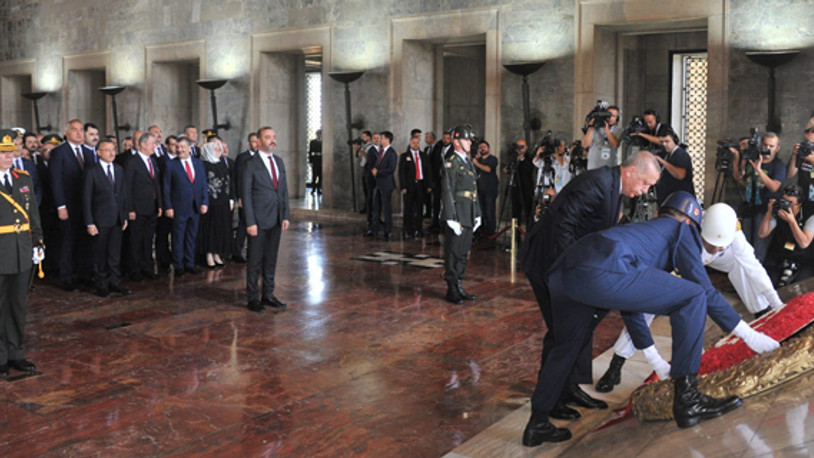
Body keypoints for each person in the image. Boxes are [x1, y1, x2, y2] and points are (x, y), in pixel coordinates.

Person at [523, 192, 748, 446]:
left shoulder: (641, 233)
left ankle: (537, 422)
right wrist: (746, 333)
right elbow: (702, 291)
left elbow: (631, 308)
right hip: (603, 268)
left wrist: (653, 357)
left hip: (565, 270)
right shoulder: (679, 230)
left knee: (564, 346)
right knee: (694, 296)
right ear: (689, 222)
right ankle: (688, 399)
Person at [519, 151, 661, 429]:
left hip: (566, 265)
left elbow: (604, 225)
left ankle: (570, 389)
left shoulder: (612, 185)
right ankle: (552, 401)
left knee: (581, 325)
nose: (645, 191)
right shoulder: (596, 185)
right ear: (631, 171)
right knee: (563, 333)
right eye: (645, 183)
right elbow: (563, 228)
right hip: (548, 264)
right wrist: (572, 276)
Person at [595, 202, 782, 393]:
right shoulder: (686, 235)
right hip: (677, 266)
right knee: (646, 308)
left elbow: (752, 266)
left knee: (741, 266)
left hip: (704, 265)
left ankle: (762, 312)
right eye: (710, 245)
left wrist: (777, 303)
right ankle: (616, 365)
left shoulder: (731, 229)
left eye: (720, 247)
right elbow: (704, 290)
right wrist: (654, 359)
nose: (715, 249)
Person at [0, 129, 43, 378]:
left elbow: (32, 214)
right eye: (3, 153)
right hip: (1, 251)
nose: (9, 157)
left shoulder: (22, 179)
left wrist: (38, 241)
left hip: (21, 251)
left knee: (18, 305)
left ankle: (16, 352)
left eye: (11, 152)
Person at [243, 126, 290, 313]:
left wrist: (285, 215)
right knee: (255, 260)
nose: (273, 140)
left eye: (274, 137)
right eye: (268, 137)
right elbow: (246, 195)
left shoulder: (278, 161)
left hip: (276, 218)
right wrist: (250, 222)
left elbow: (283, 191)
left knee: (271, 259)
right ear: (259, 141)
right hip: (258, 220)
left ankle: (268, 294)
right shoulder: (250, 164)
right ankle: (253, 298)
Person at [49, 119, 95, 290]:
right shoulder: (59, 152)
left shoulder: (88, 153)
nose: (79, 133)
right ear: (66, 133)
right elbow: (55, 181)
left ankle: (84, 275)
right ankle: (66, 278)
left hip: (86, 206)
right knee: (67, 242)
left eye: (81, 129)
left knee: (85, 241)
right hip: (68, 205)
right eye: (74, 129)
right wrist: (60, 205)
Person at [82, 139, 130, 297]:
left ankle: (115, 283)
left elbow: (123, 195)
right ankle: (101, 285)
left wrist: (124, 216)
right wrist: (89, 222)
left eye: (113, 150)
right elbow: (86, 199)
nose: (111, 153)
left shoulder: (119, 169)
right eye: (107, 150)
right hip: (99, 220)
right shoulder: (91, 172)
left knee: (114, 254)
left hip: (117, 219)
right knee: (99, 255)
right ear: (99, 152)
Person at [441, 125, 482, 304]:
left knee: (463, 252)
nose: (469, 143)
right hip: (458, 214)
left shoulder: (467, 162)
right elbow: (447, 191)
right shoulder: (452, 162)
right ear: (456, 142)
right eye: (466, 140)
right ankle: (451, 288)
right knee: (453, 253)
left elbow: (474, 190)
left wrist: (477, 213)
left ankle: (458, 285)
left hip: (468, 213)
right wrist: (451, 218)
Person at [732, 132, 785, 260]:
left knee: (759, 248)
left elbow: (774, 187)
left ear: (777, 148)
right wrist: (738, 158)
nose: (767, 148)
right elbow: (741, 179)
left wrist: (759, 170)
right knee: (745, 246)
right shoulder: (752, 160)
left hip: (766, 210)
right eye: (765, 145)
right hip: (749, 207)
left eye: (771, 146)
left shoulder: (778, 165)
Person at [163, 136, 209, 277]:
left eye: (182, 147)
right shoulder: (170, 164)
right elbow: (166, 187)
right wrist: (168, 207)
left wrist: (205, 202)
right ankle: (178, 265)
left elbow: (203, 184)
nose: (179, 150)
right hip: (178, 207)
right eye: (177, 147)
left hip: (195, 206)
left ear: (190, 148)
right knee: (178, 237)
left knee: (191, 236)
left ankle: (190, 263)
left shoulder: (198, 163)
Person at [124, 132, 163, 281]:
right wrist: (130, 209)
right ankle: (135, 270)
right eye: (152, 143)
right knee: (136, 241)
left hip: (152, 208)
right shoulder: (131, 162)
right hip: (137, 209)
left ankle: (147, 268)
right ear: (143, 144)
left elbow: (156, 185)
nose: (155, 146)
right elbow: (127, 188)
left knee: (148, 240)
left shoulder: (152, 161)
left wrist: (159, 204)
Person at [758, 185, 814, 286]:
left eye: (790, 203)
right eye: (784, 200)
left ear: (799, 204)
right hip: (780, 254)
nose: (787, 205)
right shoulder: (779, 210)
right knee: (768, 281)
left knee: (800, 284)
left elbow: (804, 243)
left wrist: (792, 222)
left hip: (802, 258)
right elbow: (762, 233)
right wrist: (769, 212)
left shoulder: (809, 215)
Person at [199, 141, 233, 268]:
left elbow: (228, 182)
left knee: (220, 229)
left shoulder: (222, 164)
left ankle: (217, 253)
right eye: (216, 149)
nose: (218, 151)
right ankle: (209, 254)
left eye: (220, 149)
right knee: (210, 229)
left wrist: (231, 199)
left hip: (223, 202)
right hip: (210, 203)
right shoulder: (204, 165)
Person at [364, 131, 397, 241]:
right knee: (376, 207)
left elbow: (391, 169)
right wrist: (374, 170)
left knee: (386, 208)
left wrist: (378, 172)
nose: (380, 140)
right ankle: (374, 229)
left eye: (382, 138)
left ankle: (388, 231)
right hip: (377, 184)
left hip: (386, 184)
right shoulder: (381, 151)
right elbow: (377, 165)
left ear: (387, 139)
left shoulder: (392, 153)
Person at [398, 135, 431, 239]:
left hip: (421, 185)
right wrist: (403, 186)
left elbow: (428, 171)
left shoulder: (423, 155)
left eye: (417, 142)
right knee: (408, 209)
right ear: (410, 143)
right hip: (409, 185)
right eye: (413, 142)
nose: (416, 144)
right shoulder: (405, 156)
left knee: (420, 208)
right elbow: (401, 173)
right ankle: (409, 230)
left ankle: (419, 229)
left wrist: (429, 185)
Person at [233, 133, 258, 263]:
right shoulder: (242, 158)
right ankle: (237, 252)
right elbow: (238, 178)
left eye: (257, 141)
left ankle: (252, 253)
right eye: (253, 142)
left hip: (257, 198)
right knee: (243, 224)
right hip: (245, 197)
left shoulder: (261, 157)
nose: (256, 144)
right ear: (249, 143)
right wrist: (239, 197)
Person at [654, 129, 694, 205]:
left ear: (674, 141)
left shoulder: (681, 155)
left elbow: (680, 175)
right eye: (662, 142)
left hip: (680, 201)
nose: (664, 144)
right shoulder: (666, 155)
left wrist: (663, 162)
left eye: (667, 141)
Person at [784, 117, 814, 215]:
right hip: (803, 197)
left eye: (812, 131)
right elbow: (790, 174)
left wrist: (812, 160)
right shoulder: (804, 149)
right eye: (807, 131)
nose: (809, 134)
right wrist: (794, 155)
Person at [582, 104, 621, 170]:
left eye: (614, 116)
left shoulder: (618, 130)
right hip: (593, 167)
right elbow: (584, 145)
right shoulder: (595, 129)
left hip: (609, 167)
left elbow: (615, 145)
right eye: (609, 115)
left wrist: (606, 130)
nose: (611, 118)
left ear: (617, 118)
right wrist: (591, 127)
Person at [472, 140, 498, 237]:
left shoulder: (493, 159)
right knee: (481, 211)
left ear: (488, 149)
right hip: (479, 189)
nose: (482, 149)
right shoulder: (478, 160)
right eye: (480, 147)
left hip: (490, 189)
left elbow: (488, 169)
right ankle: (481, 230)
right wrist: (475, 160)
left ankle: (491, 231)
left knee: (489, 211)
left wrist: (477, 163)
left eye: (484, 147)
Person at [308, 129, 323, 195]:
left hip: (321, 159)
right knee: (314, 175)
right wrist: (310, 161)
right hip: (315, 159)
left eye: (320, 134)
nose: (319, 135)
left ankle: (319, 189)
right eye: (318, 134)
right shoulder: (312, 142)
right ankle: (313, 188)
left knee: (320, 175)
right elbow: (310, 152)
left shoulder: (323, 142)